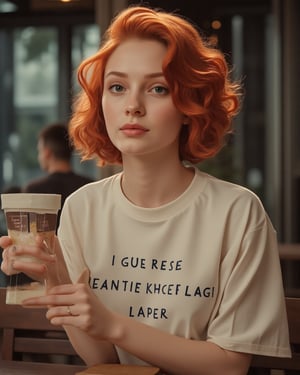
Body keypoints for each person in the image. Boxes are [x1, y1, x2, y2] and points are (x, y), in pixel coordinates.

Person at [0, 5, 291, 374]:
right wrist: (54, 278)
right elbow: (103, 361)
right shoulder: (82, 208)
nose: (133, 106)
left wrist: (114, 324)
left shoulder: (237, 213)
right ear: (101, 101)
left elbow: (229, 366)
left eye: (158, 88)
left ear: (190, 105)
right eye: (117, 87)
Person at [23, 122, 94, 226]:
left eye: (40, 151)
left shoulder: (33, 190)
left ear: (47, 153)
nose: (39, 157)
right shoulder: (90, 186)